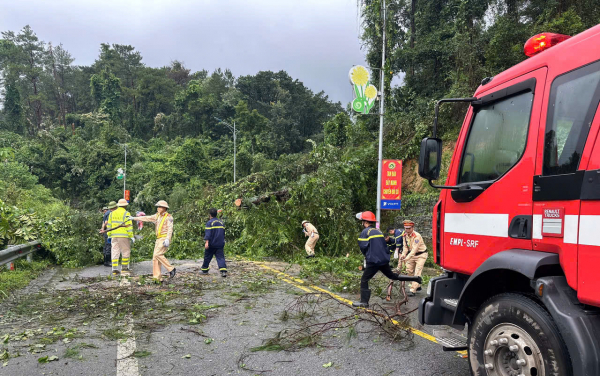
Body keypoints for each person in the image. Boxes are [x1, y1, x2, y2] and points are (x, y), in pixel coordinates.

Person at [352, 211, 421, 308]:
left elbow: (363, 247)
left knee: (364, 279)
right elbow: (384, 246)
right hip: (383, 260)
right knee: (392, 276)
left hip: (374, 261)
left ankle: (364, 302)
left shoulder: (365, 232)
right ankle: (416, 278)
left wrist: (367, 257)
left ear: (365, 222)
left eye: (363, 222)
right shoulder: (379, 231)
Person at [130, 200, 176, 282]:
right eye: (158, 207)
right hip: (158, 238)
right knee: (155, 257)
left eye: (159, 207)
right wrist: (134, 218)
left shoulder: (169, 217)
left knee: (158, 254)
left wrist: (167, 239)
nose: (158, 208)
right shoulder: (157, 216)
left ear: (164, 208)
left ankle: (171, 269)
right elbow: (147, 218)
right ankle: (157, 277)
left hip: (164, 238)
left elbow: (170, 229)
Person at [400, 219, 428, 296]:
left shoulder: (417, 236)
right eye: (406, 228)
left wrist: (406, 258)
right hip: (412, 255)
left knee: (417, 272)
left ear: (413, 228)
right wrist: (403, 254)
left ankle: (413, 290)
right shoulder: (404, 236)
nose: (407, 230)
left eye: (409, 228)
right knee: (408, 271)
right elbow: (405, 247)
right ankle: (417, 285)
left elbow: (414, 250)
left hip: (421, 255)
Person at [106, 199, 134, 276]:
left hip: (114, 236)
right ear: (125, 205)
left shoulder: (112, 214)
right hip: (123, 235)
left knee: (115, 251)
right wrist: (131, 236)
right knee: (125, 251)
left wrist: (109, 235)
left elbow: (109, 225)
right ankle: (124, 269)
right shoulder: (126, 213)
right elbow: (129, 226)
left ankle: (114, 269)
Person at [202, 208, 227, 277]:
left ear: (210, 215)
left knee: (207, 257)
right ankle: (223, 271)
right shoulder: (221, 222)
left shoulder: (210, 223)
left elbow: (208, 234)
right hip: (220, 243)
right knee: (220, 257)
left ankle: (204, 269)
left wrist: (207, 242)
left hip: (212, 244)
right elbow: (223, 233)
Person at [100, 202, 117, 267]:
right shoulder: (110, 213)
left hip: (106, 231)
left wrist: (102, 229)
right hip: (108, 232)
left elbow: (103, 222)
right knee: (109, 246)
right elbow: (106, 222)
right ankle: (107, 262)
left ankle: (106, 260)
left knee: (106, 246)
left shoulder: (107, 213)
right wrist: (103, 229)